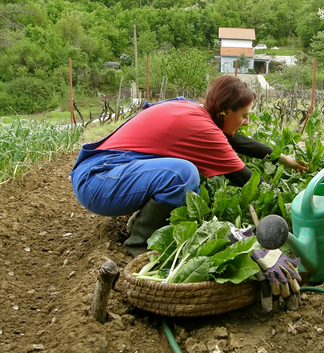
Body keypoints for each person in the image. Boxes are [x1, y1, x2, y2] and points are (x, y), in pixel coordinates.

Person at [70, 75, 308, 258]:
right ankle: (138, 247)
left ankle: (140, 223)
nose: (247, 123)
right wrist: (293, 205)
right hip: (99, 182)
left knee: (182, 173)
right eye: (244, 115)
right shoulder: (204, 129)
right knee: (182, 174)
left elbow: (233, 138)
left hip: (105, 173)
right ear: (225, 112)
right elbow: (245, 179)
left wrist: (281, 157)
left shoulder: (194, 110)